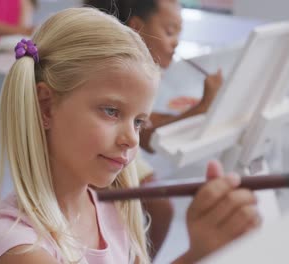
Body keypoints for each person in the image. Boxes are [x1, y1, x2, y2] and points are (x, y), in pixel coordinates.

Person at [0, 7, 260, 264]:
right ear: (46, 106)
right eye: (111, 111)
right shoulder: (24, 250)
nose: (133, 139)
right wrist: (197, 254)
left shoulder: (112, 209)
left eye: (138, 122)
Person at [84, 0, 223, 257]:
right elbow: (146, 135)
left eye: (179, 32)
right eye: (170, 31)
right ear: (136, 28)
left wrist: (200, 108)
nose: (176, 42)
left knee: (155, 207)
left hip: (119, 151)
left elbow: (147, 122)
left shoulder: (143, 71)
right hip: (102, 150)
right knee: (159, 206)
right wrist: (202, 107)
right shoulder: (121, 68)